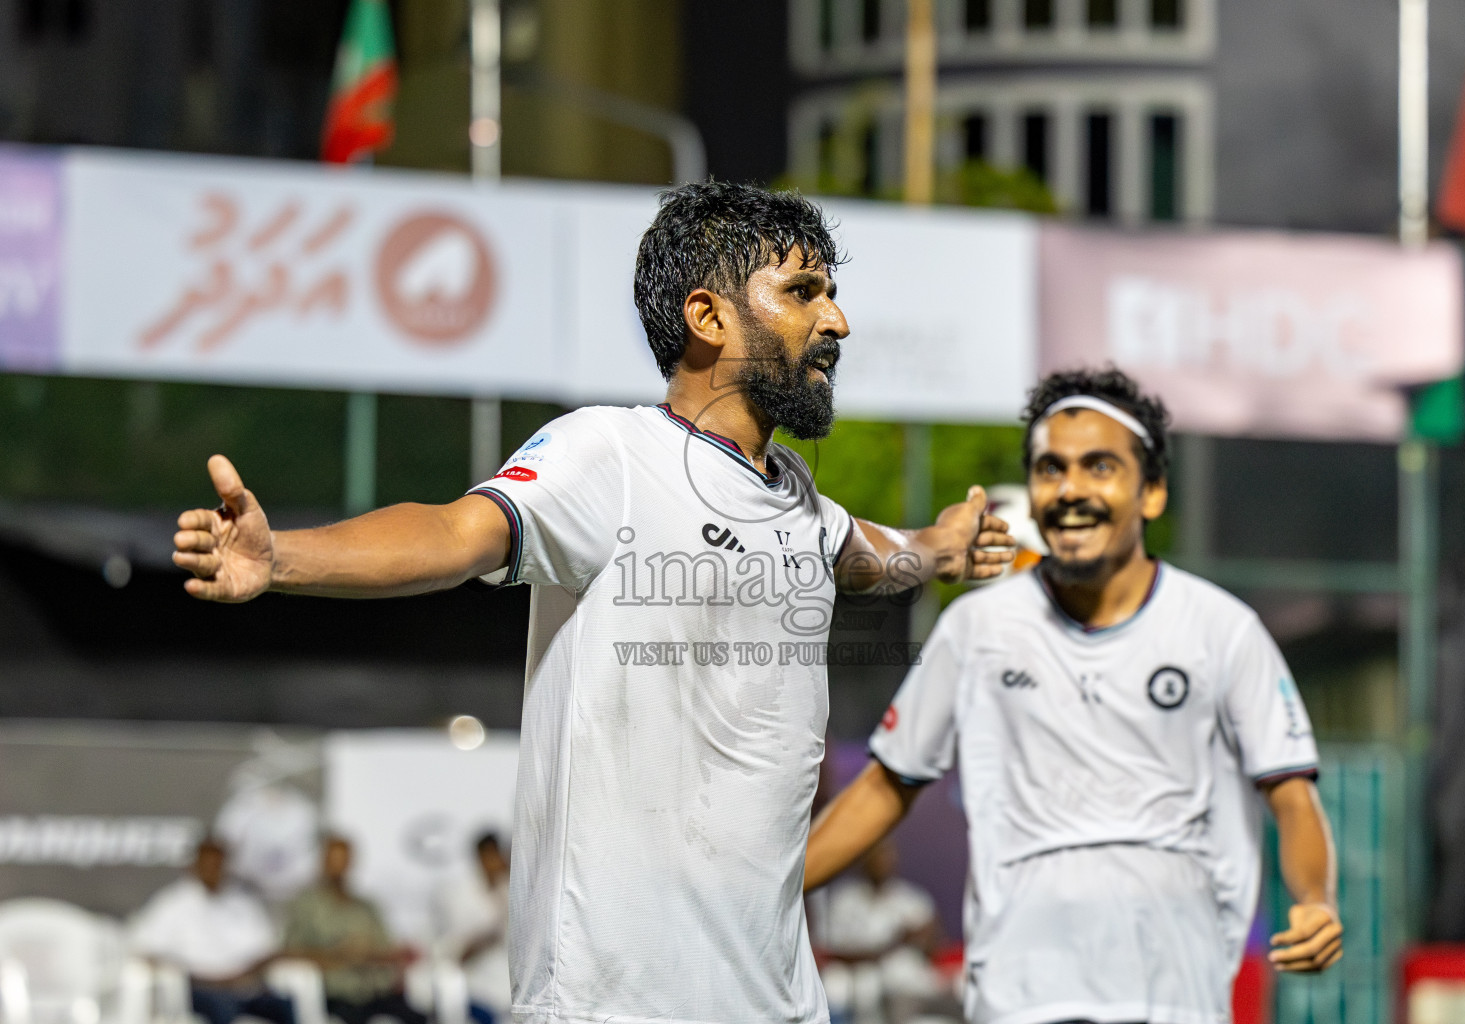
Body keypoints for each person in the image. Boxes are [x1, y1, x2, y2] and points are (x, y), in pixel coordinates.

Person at [171, 181, 1014, 1024]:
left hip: (778, 1005)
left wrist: (945, 544)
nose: (836, 321)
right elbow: (454, 534)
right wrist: (285, 557)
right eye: (803, 292)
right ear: (708, 317)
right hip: (614, 1005)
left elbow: (875, 558)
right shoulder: (608, 453)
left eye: (830, 293)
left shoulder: (798, 500)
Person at [804, 367, 1343, 1024]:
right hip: (1021, 998)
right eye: (1051, 469)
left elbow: (1291, 793)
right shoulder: (978, 628)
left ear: (1151, 493)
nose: (1070, 490)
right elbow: (886, 788)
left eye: (1099, 467)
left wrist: (1315, 899)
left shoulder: (1222, 630)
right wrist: (765, 894)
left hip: (1175, 997)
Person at [127, 838, 294, 1024]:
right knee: (222, 1009)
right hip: (197, 989)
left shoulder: (243, 903)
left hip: (243, 987)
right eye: (208, 864)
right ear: (194, 866)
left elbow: (265, 949)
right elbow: (144, 948)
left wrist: (244, 977)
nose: (214, 870)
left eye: (219, 864)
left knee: (285, 1007)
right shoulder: (172, 904)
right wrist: (183, 974)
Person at [282, 835, 425, 1024]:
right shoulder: (307, 905)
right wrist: (339, 954)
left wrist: (370, 952)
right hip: (336, 994)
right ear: (322, 862)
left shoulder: (366, 907)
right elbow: (291, 952)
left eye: (344, 860)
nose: (339, 867)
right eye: (333, 860)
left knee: (419, 1017)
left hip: (377, 991)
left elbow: (388, 949)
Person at [817, 839, 943, 1024]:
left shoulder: (912, 899)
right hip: (856, 983)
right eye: (875, 856)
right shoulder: (845, 898)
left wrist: (929, 933)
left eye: (886, 855)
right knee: (840, 986)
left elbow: (932, 949)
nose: (881, 862)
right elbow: (835, 950)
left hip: (907, 989)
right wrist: (895, 943)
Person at [433, 832, 511, 1024]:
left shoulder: (512, 889)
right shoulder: (458, 896)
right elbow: (455, 951)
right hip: (475, 992)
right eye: (494, 855)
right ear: (481, 856)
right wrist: (488, 936)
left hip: (512, 993)